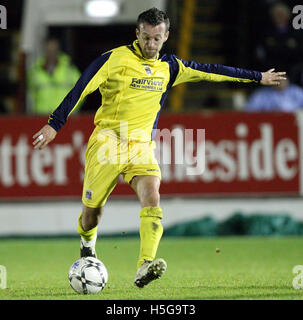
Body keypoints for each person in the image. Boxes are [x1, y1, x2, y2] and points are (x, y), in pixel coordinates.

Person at [32, 8, 286, 288]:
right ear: (137, 34)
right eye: (146, 38)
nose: (151, 45)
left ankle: (144, 266)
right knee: (91, 214)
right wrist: (54, 124)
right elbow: (80, 87)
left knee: (152, 196)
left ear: (166, 36)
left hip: (141, 145)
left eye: (156, 39)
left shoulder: (171, 67)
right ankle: (87, 245)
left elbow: (212, 72)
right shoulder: (113, 60)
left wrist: (257, 77)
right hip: (107, 142)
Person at [27, 37, 81, 114]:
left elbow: (82, 92)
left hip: (65, 118)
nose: (51, 54)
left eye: (54, 50)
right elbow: (29, 95)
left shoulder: (70, 70)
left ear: (58, 51)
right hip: (40, 118)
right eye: (48, 50)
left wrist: (73, 110)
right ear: (44, 51)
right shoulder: (35, 72)